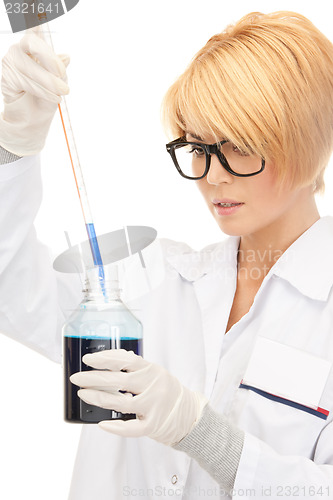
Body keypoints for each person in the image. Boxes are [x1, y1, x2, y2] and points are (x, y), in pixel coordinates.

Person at [0, 10, 333, 500]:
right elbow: (10, 285)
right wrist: (12, 149)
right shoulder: (148, 280)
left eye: (237, 145)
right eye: (196, 146)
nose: (211, 175)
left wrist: (202, 433)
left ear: (310, 140)